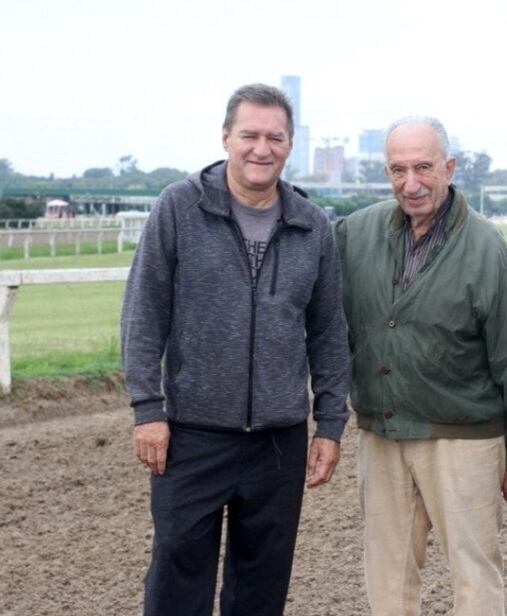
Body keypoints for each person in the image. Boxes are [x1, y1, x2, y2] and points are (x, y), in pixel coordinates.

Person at [121, 83, 350, 616]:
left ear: (290, 145)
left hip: (278, 443)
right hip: (191, 437)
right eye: (249, 135)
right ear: (226, 137)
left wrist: (330, 424)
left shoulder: (312, 224)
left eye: (275, 137)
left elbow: (328, 331)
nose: (261, 149)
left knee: (261, 590)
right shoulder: (179, 207)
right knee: (177, 583)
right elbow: (143, 312)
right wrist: (147, 410)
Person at [334, 116, 507, 616]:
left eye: (423, 167)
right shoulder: (354, 234)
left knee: (474, 572)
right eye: (398, 169)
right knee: (387, 575)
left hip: (464, 439)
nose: (411, 183)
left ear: (449, 167)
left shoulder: (486, 247)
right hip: (382, 436)